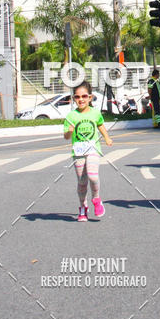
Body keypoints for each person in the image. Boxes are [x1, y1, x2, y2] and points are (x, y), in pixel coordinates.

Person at [64, 81, 113, 221]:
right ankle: (83, 207)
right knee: (82, 182)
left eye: (84, 96)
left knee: (93, 176)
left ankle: (96, 199)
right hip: (78, 153)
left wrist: (107, 138)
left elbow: (100, 125)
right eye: (77, 97)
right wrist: (69, 131)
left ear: (90, 97)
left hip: (93, 150)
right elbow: (66, 137)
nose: (81, 99)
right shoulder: (71, 116)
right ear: (73, 98)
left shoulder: (95, 113)